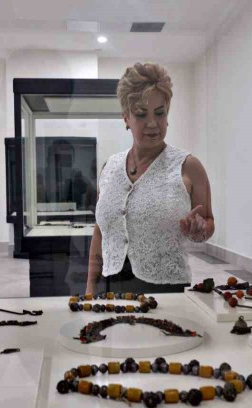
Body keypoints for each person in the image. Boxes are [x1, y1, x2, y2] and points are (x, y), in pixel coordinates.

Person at [86, 62, 214, 294]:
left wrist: (199, 231)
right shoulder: (109, 168)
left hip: (165, 293)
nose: (153, 123)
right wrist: (90, 287)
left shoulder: (188, 167)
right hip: (110, 290)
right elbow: (100, 231)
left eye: (160, 112)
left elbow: (207, 221)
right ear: (126, 118)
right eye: (141, 114)